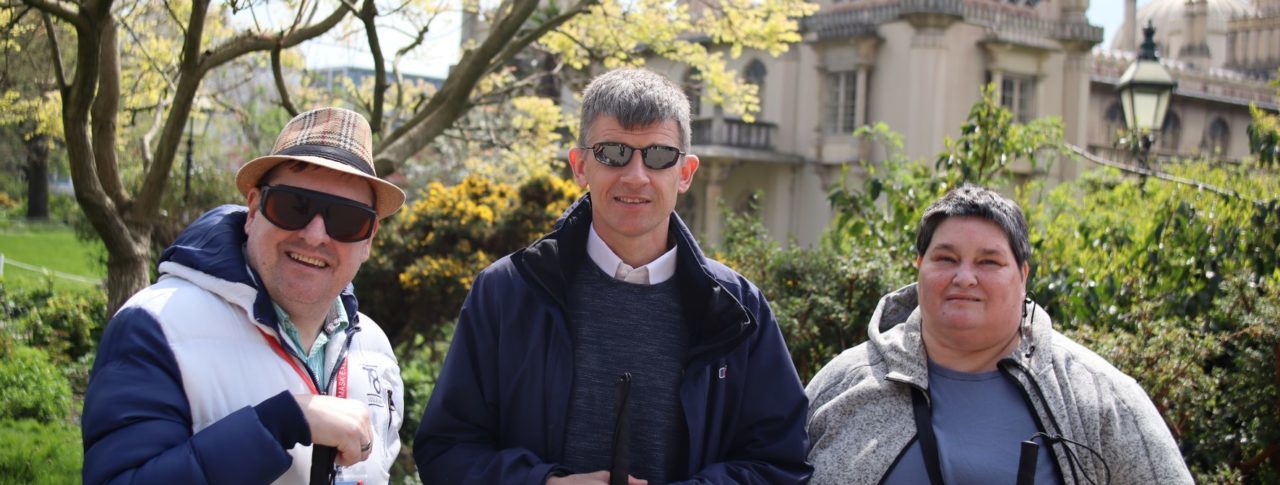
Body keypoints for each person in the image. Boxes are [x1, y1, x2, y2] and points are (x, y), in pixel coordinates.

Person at [414, 68, 812, 484]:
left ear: (686, 173)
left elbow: (780, 463)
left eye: (658, 155)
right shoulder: (507, 292)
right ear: (580, 165)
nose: (636, 175)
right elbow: (445, 450)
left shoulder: (737, 308)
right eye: (613, 153)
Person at [81, 107, 406, 484]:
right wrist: (277, 425)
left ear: (368, 240)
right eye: (293, 206)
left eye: (347, 219)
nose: (316, 235)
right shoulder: (157, 326)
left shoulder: (374, 349)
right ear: (253, 209)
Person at [805, 184, 1193, 484]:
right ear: (920, 266)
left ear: (1023, 276)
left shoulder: (1100, 399)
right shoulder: (843, 384)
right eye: (946, 259)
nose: (964, 277)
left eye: (988, 261)